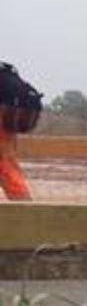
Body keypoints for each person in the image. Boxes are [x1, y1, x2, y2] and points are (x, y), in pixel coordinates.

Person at [0, 61, 38, 201]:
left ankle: (24, 210)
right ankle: (25, 208)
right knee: (7, 163)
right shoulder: (6, 74)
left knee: (4, 165)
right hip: (7, 117)